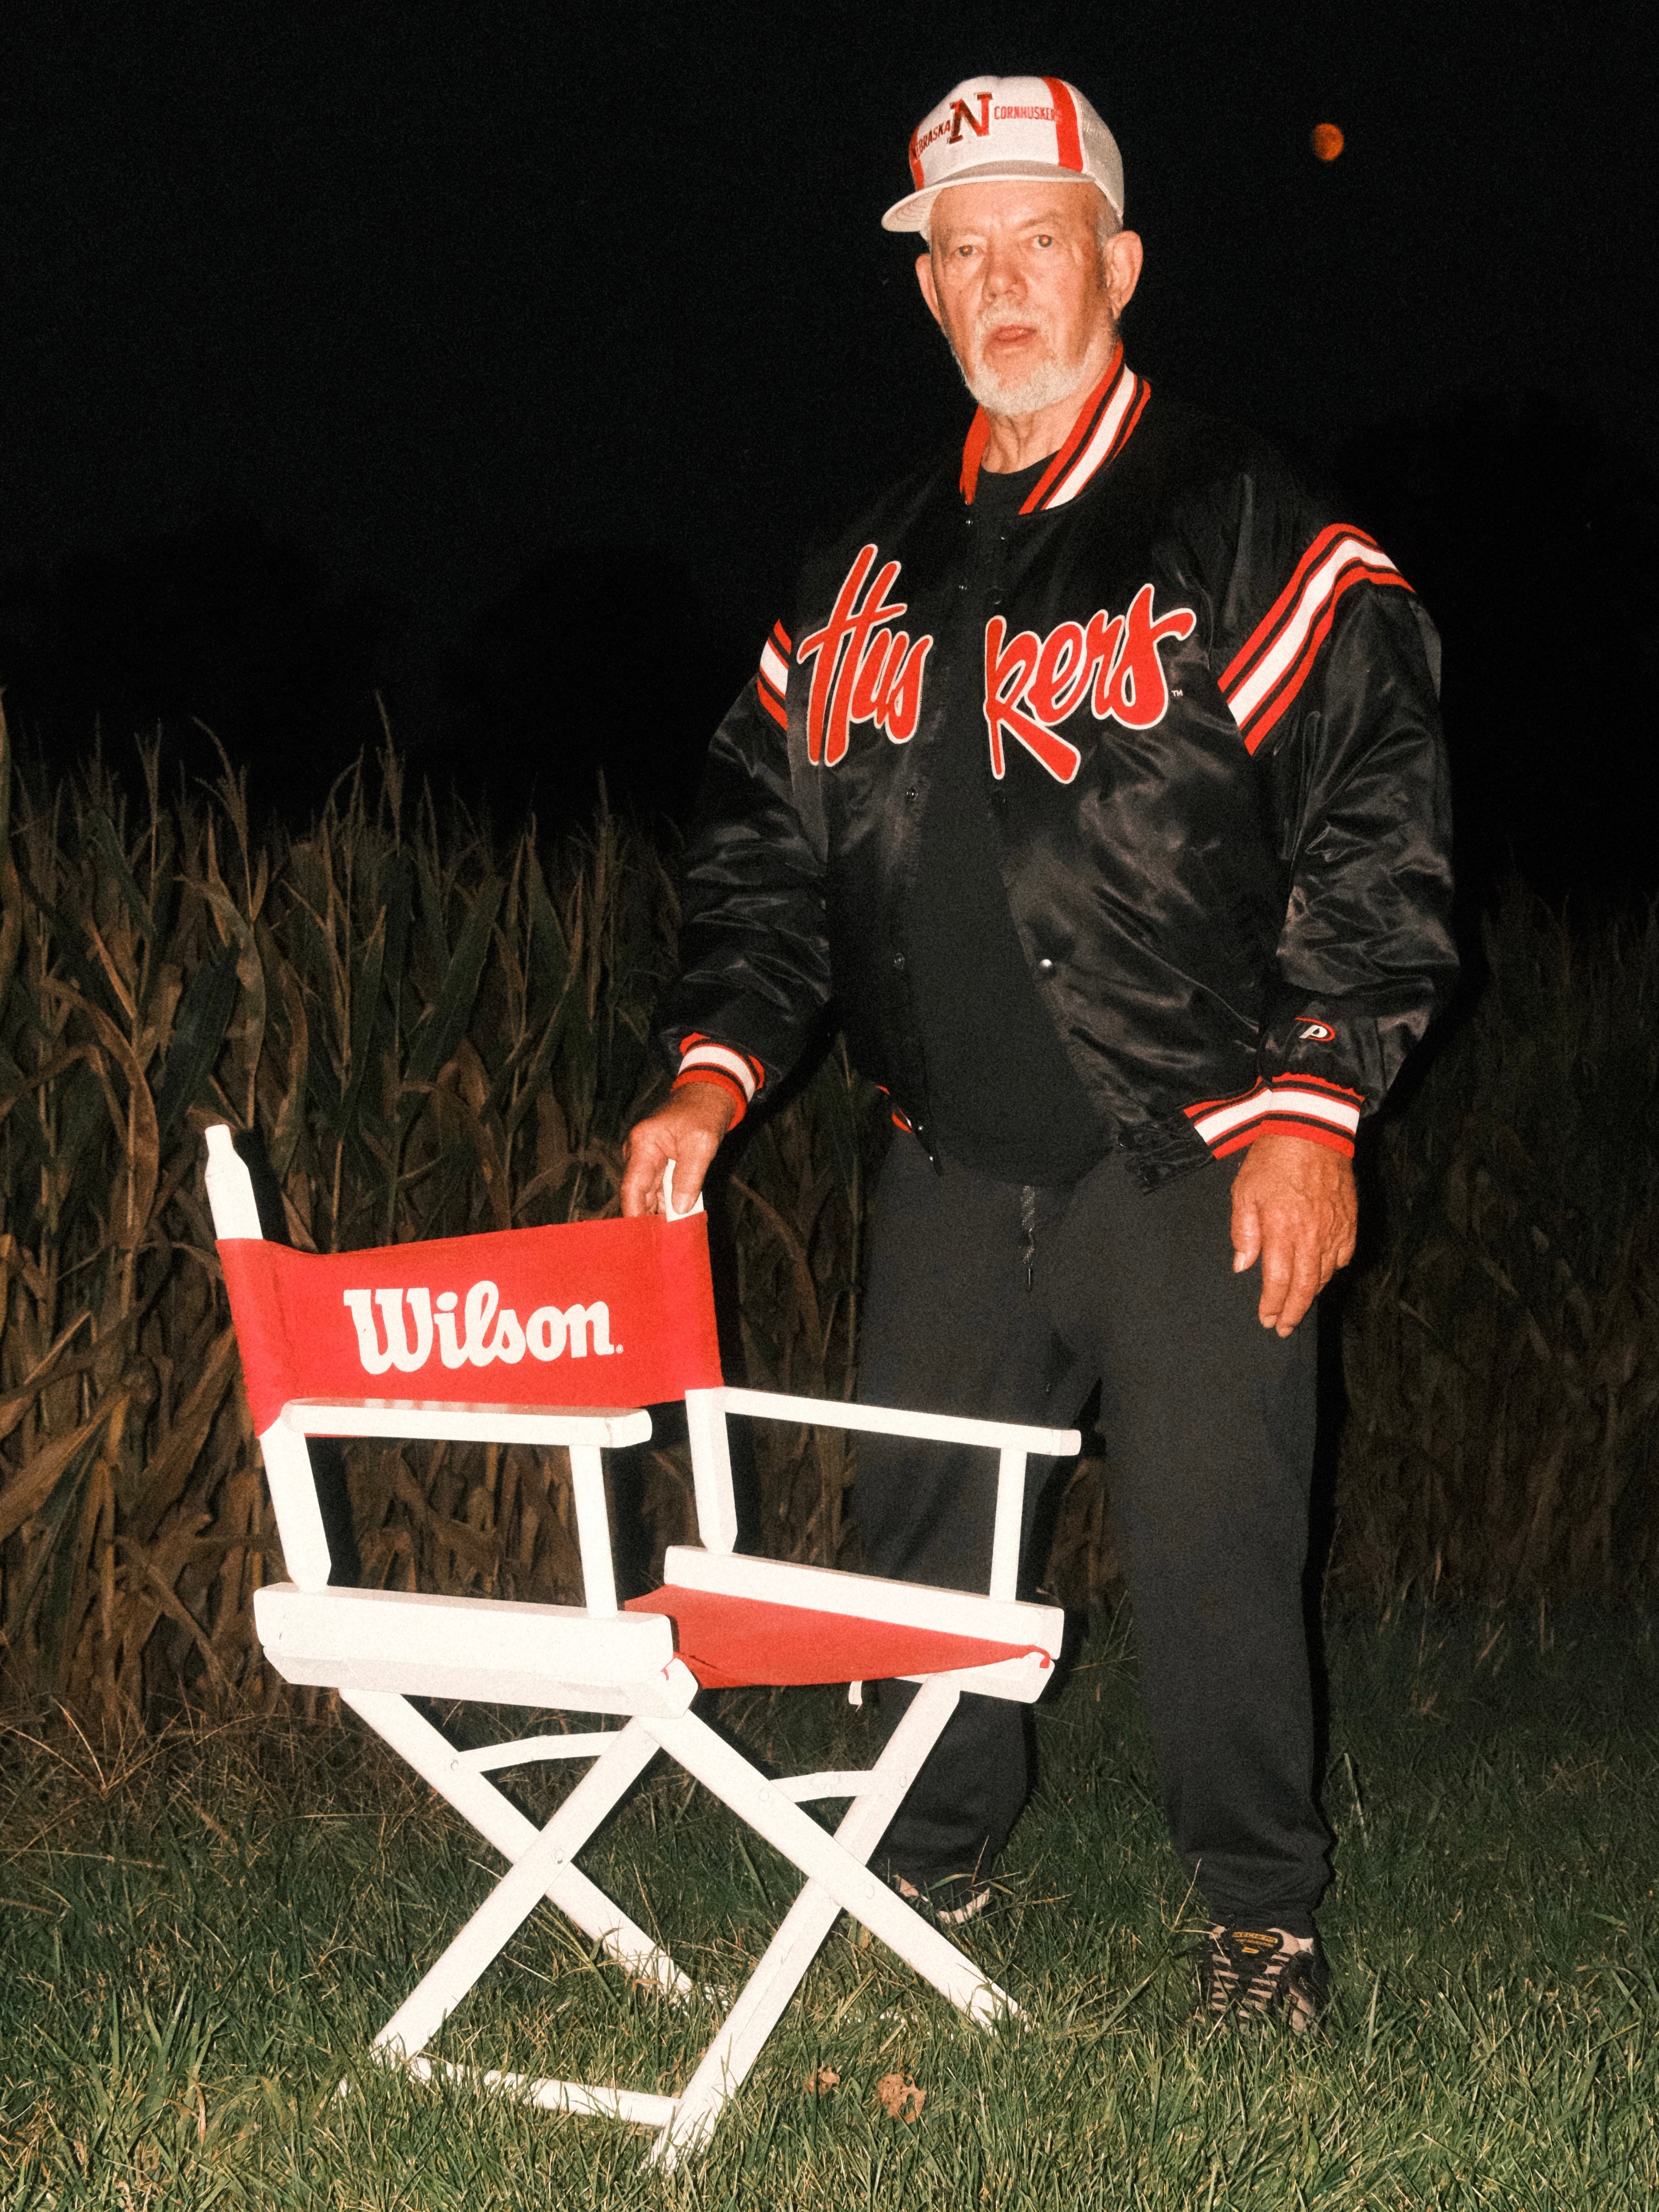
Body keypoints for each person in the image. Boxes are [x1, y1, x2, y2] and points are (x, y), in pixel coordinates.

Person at [620, 75, 1455, 2029]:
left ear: (1120, 263)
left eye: (1040, 240)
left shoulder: (1242, 517)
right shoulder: (865, 573)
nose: (1004, 283)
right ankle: (929, 1875)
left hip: (1192, 1145)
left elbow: (1378, 817)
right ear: (930, 296)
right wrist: (711, 1069)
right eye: (963, 253)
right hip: (948, 1158)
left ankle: (1261, 1918)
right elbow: (761, 853)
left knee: (1217, 1541)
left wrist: (1317, 1098)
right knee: (920, 1551)